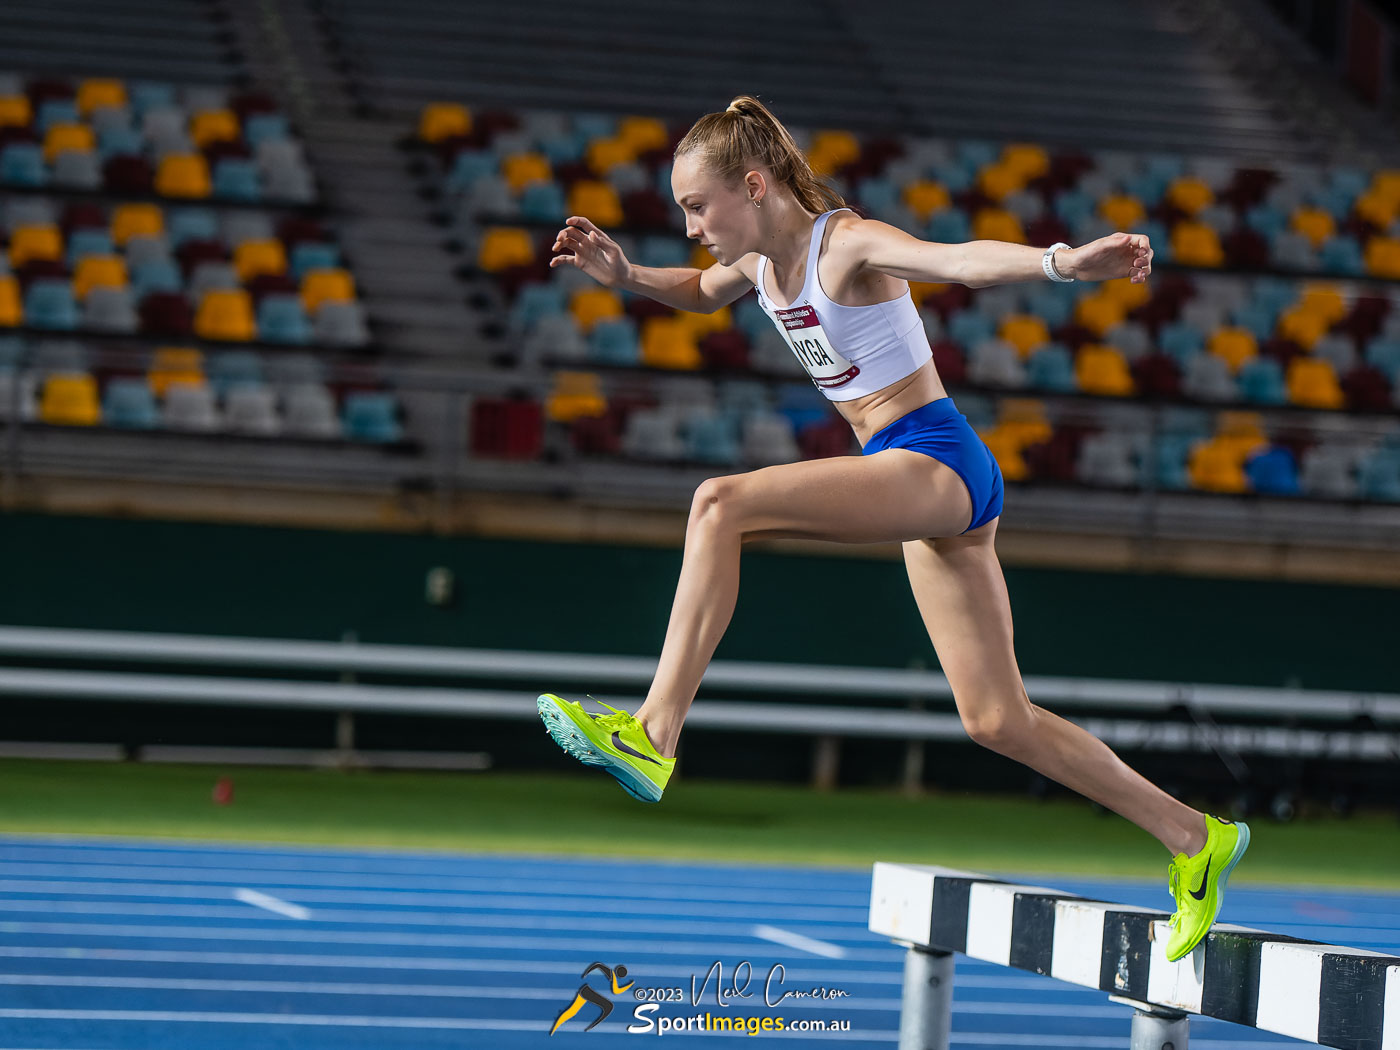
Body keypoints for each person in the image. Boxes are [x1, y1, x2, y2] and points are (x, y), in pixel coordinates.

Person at [535, 94, 1249, 962]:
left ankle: (652, 733)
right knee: (996, 719)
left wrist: (1065, 264)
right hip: (921, 483)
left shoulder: (846, 245)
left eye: (697, 206)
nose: (690, 228)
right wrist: (628, 279)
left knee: (719, 504)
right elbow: (697, 291)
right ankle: (1194, 839)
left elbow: (961, 263)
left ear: (753, 186)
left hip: (935, 458)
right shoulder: (762, 266)